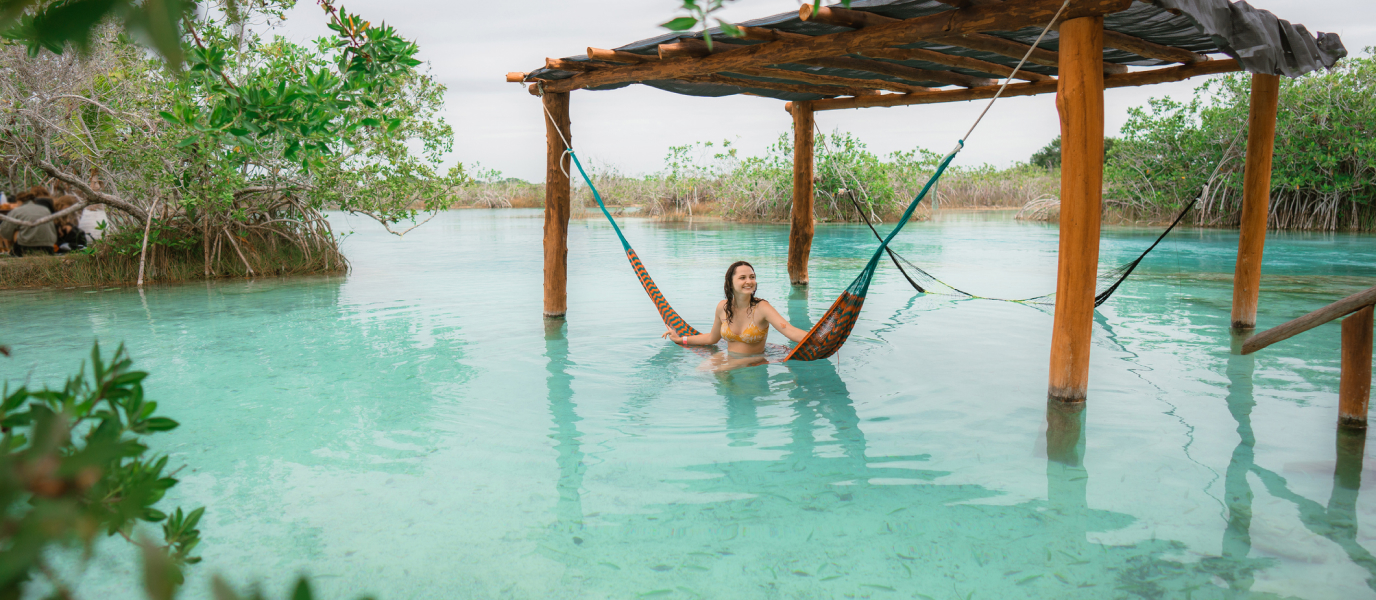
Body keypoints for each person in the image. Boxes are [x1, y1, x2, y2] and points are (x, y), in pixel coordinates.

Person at [665, 260, 808, 370]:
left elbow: (790, 330)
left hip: (755, 359)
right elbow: (711, 338)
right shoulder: (723, 307)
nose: (749, 281)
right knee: (701, 371)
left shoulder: (762, 307)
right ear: (731, 283)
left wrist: (818, 338)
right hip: (729, 357)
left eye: (752, 277)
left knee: (721, 371)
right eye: (742, 278)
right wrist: (680, 339)